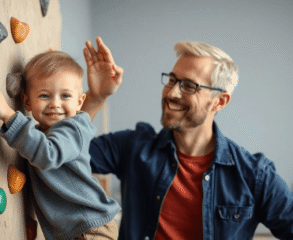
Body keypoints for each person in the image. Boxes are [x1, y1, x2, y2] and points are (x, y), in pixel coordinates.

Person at [82, 38, 293, 239]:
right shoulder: (132, 147)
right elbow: (61, 157)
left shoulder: (255, 175)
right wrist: (95, 98)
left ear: (220, 101)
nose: (172, 93)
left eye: (189, 85)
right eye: (172, 80)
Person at [0, 49, 122, 240]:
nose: (55, 103)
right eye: (45, 95)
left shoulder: (74, 129)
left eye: (65, 96)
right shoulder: (39, 134)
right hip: (76, 230)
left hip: (92, 226)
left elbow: (48, 154)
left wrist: (7, 114)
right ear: (27, 101)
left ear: (80, 102)